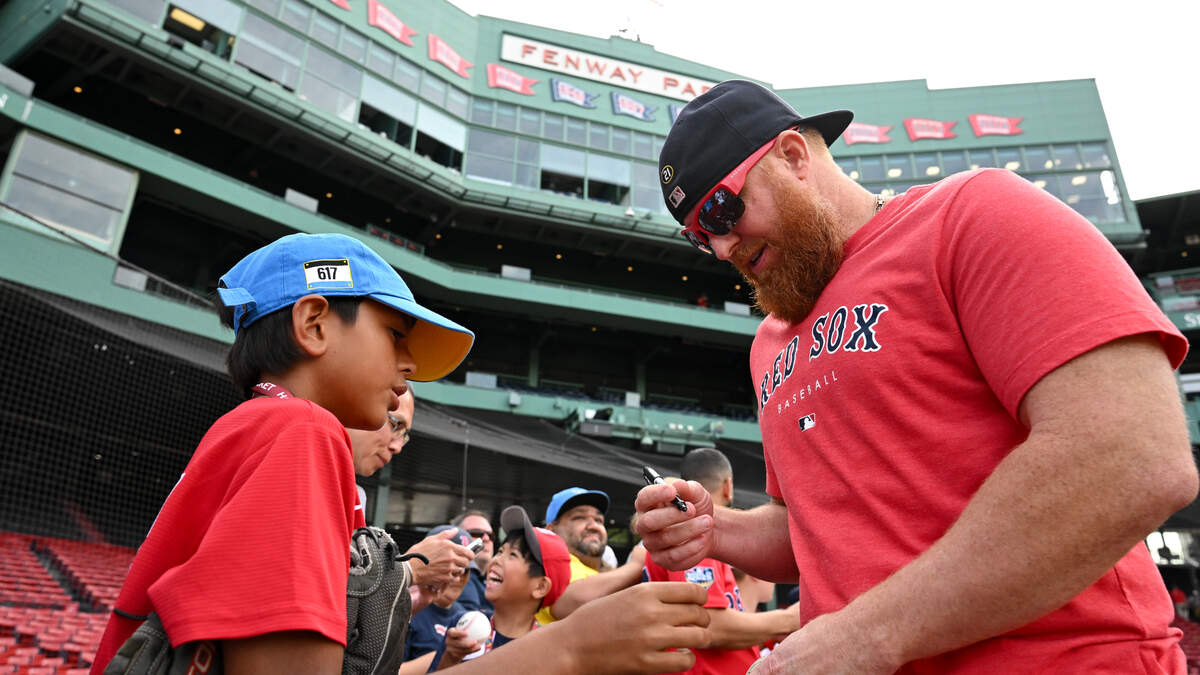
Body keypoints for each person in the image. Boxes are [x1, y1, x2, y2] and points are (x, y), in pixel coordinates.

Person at [636, 80, 1197, 673]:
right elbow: (814, 531)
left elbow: (1130, 455)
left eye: (723, 211)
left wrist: (868, 636)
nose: (721, 249)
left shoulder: (972, 215)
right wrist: (713, 529)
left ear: (794, 156)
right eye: (700, 235)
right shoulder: (769, 343)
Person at [93, 232, 475, 673]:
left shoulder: (264, 423)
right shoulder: (303, 430)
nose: (409, 365)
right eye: (395, 335)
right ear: (313, 324)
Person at [642, 450, 800, 675]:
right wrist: (790, 619)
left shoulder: (701, 531)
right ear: (728, 486)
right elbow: (708, 624)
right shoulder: (692, 528)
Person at [434, 506, 571, 670]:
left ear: (541, 587)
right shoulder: (462, 623)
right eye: (500, 551)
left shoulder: (548, 649)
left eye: (513, 554)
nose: (496, 560)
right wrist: (451, 657)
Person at [401, 526, 475, 674]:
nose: (458, 577)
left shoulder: (467, 616)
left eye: (464, 570)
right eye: (452, 568)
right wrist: (448, 653)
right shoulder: (407, 608)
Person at [534, 487, 610, 624]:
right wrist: (636, 565)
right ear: (552, 530)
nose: (594, 526)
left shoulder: (610, 573)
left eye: (598, 520)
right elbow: (580, 605)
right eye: (579, 518)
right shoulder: (546, 566)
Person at [449, 509, 495, 616]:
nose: (486, 538)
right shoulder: (456, 574)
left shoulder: (493, 578)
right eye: (477, 533)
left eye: (490, 535)